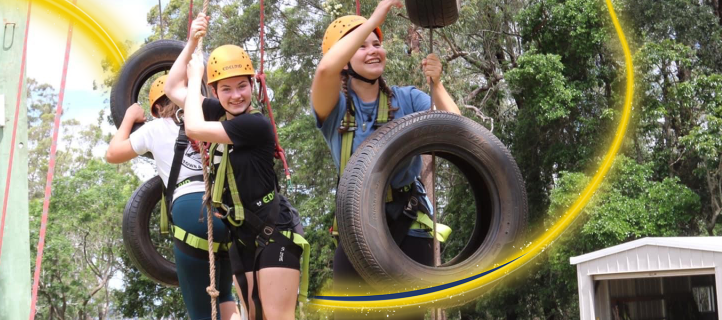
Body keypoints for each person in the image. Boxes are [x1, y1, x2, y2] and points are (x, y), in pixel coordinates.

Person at [311, 0, 461, 318]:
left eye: (377, 43)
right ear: (344, 59)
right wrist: (377, 16)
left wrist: (437, 84)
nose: (373, 50)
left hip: (408, 224)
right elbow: (325, 68)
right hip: (357, 228)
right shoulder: (334, 106)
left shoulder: (406, 99)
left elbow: (459, 132)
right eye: (361, 45)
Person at [163, 12, 303, 320]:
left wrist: (197, 77)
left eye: (242, 86)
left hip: (273, 230)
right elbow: (173, 87)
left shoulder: (255, 125)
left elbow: (194, 129)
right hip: (243, 237)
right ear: (215, 93)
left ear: (252, 85)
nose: (236, 95)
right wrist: (191, 43)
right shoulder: (217, 112)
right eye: (226, 89)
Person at [105, 75, 239, 320]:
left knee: (203, 312)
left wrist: (129, 117)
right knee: (226, 296)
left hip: (191, 213)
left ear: (156, 108)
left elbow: (113, 154)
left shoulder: (155, 128)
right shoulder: (211, 123)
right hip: (226, 213)